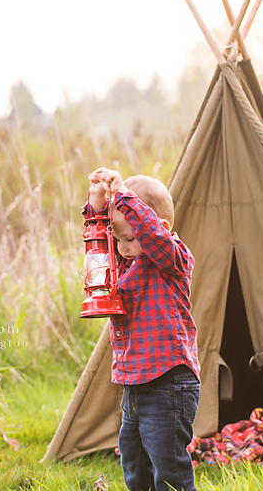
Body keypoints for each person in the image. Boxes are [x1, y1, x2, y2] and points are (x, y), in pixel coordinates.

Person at [85, 167, 200, 491]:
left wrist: (122, 191)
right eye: (118, 239)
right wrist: (98, 202)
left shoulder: (172, 259)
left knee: (169, 471)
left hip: (169, 384)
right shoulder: (125, 263)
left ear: (157, 228)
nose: (122, 247)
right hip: (135, 386)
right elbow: (98, 239)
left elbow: (152, 236)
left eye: (130, 238)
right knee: (135, 467)